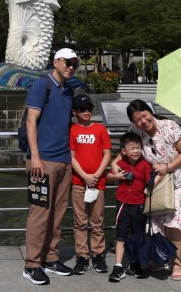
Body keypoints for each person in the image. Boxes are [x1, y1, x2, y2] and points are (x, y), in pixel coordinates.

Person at [126, 99, 181, 281]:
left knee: (174, 221)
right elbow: (127, 148)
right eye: (138, 120)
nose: (143, 121)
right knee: (157, 219)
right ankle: (161, 256)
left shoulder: (169, 126)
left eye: (144, 115)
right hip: (160, 182)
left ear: (150, 112)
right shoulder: (136, 132)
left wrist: (167, 167)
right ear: (133, 123)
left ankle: (177, 262)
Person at [22, 47, 78, 285]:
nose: (71, 67)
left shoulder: (68, 90)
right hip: (42, 160)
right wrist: (34, 156)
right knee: (39, 214)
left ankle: (50, 258)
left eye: (75, 63)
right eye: (67, 62)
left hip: (64, 159)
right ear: (55, 61)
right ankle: (32, 264)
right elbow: (31, 121)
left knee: (57, 213)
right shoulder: (41, 85)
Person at [68, 93, 111, 274]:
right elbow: (72, 156)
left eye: (89, 108)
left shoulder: (100, 129)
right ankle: (82, 255)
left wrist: (96, 175)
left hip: (97, 182)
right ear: (75, 112)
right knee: (80, 221)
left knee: (97, 221)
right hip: (79, 181)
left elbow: (107, 153)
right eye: (82, 109)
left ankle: (98, 254)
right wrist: (85, 176)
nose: (86, 112)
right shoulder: (73, 130)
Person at [106, 131, 152, 282]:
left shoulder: (145, 165)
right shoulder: (121, 163)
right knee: (121, 236)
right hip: (123, 204)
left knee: (137, 236)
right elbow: (107, 177)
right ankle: (118, 266)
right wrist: (116, 176)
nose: (136, 151)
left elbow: (150, 181)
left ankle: (135, 264)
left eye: (138, 147)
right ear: (124, 151)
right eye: (132, 148)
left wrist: (148, 188)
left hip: (139, 205)